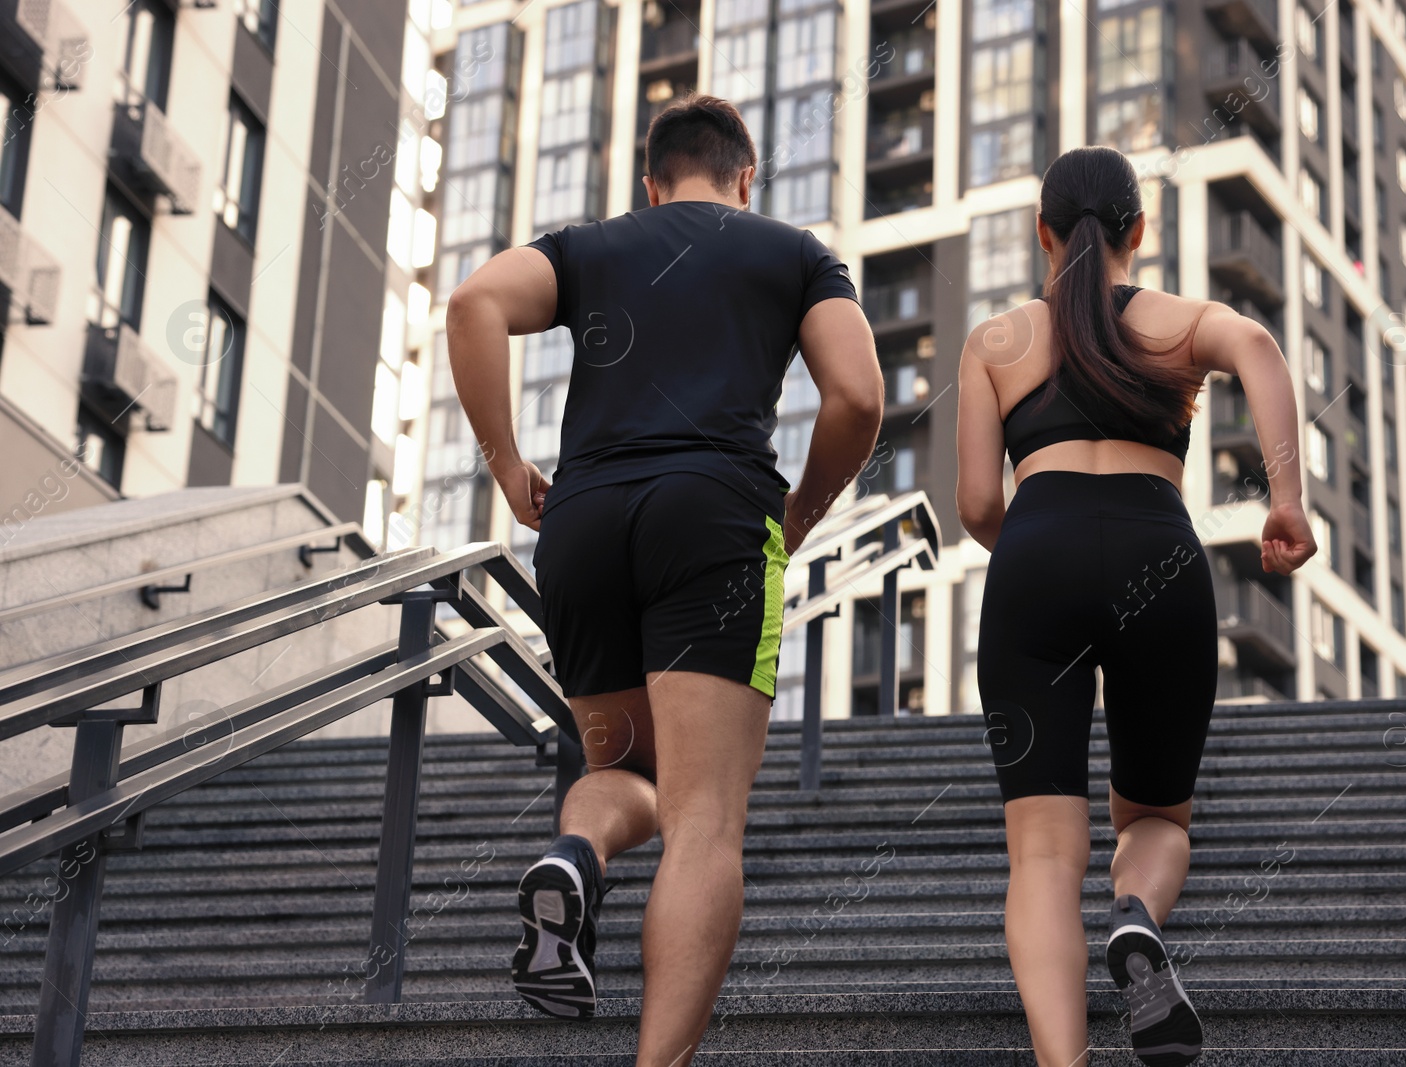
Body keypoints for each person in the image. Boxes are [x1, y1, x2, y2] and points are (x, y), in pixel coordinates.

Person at [445, 94, 883, 1064]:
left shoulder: (587, 245)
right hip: (715, 516)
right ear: (745, 173)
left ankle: (576, 853)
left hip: (584, 523)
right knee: (703, 818)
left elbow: (473, 302)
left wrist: (506, 464)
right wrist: (798, 511)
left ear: (651, 181)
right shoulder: (793, 252)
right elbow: (857, 393)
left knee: (618, 775)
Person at [955, 146, 1317, 1067]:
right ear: (1138, 234)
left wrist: (1044, 560)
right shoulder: (1176, 321)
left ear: (1043, 236)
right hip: (1161, 559)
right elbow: (1261, 351)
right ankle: (1134, 914)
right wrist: (1286, 499)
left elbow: (975, 507)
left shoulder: (995, 341)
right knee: (1156, 819)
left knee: (1041, 851)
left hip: (1035, 557)